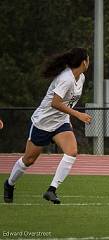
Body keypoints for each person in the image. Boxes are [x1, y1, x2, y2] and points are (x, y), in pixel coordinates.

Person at [3, 47, 92, 204]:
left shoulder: (81, 78)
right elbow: (55, 103)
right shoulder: (66, 78)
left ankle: (51, 190)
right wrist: (78, 114)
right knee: (29, 160)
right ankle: (9, 184)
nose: (89, 62)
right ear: (84, 62)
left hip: (61, 122)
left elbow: (66, 103)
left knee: (72, 152)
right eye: (88, 59)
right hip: (43, 123)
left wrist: (69, 118)